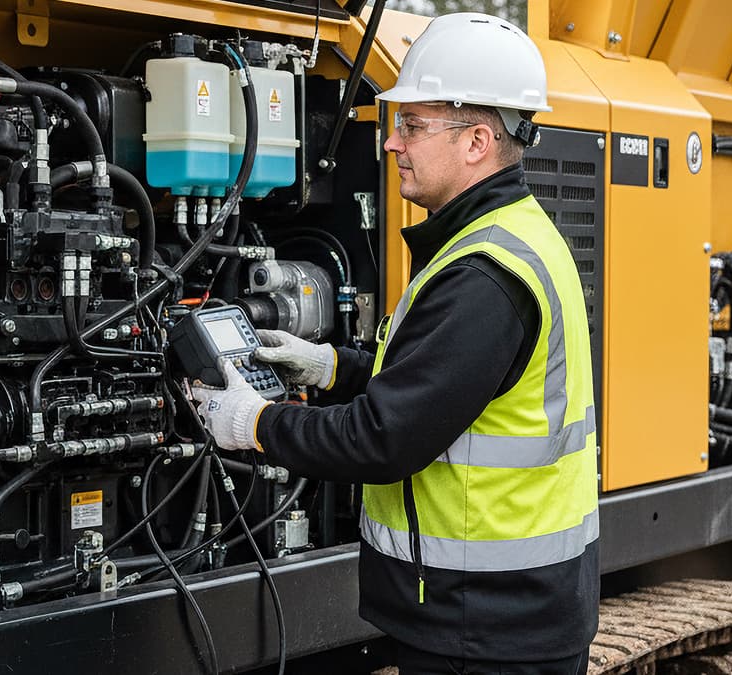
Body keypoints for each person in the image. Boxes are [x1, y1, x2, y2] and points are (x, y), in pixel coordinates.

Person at [191, 13, 598, 675]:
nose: (390, 144)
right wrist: (329, 367)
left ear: (475, 141)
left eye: (411, 124)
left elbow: (385, 439)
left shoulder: (483, 276)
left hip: (487, 630)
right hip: (495, 613)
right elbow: (433, 386)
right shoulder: (499, 236)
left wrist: (255, 422)